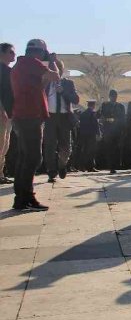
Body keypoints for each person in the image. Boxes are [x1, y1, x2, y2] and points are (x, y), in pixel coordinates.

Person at [10, 39, 59, 210]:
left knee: (25, 157)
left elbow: (41, 85)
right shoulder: (32, 63)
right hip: (30, 116)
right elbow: (55, 76)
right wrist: (52, 61)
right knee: (33, 158)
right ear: (41, 53)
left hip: (22, 115)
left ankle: (20, 198)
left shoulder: (21, 65)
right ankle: (26, 197)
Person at [43, 57, 79, 182]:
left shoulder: (68, 83)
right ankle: (51, 171)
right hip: (50, 117)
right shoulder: (46, 84)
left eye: (57, 68)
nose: (55, 71)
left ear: (61, 70)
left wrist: (63, 92)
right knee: (49, 146)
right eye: (52, 68)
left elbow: (76, 99)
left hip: (64, 117)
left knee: (66, 146)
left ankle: (62, 164)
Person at [98, 90, 126, 173]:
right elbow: (102, 117)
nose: (114, 97)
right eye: (113, 96)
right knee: (109, 148)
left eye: (115, 96)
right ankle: (111, 167)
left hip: (117, 130)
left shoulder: (120, 106)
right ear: (110, 96)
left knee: (116, 148)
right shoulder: (105, 105)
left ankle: (115, 165)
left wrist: (123, 130)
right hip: (108, 129)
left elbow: (122, 119)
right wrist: (103, 130)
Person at [0, 42, 15, 184]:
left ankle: (1, 173)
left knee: (5, 144)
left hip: (8, 112)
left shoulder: (9, 70)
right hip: (2, 112)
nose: (13, 55)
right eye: (10, 52)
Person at [76, 100, 101, 172]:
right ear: (93, 106)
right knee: (91, 151)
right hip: (91, 135)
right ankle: (90, 167)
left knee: (84, 151)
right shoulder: (93, 113)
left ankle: (81, 167)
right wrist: (98, 133)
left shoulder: (83, 114)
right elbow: (96, 124)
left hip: (83, 134)